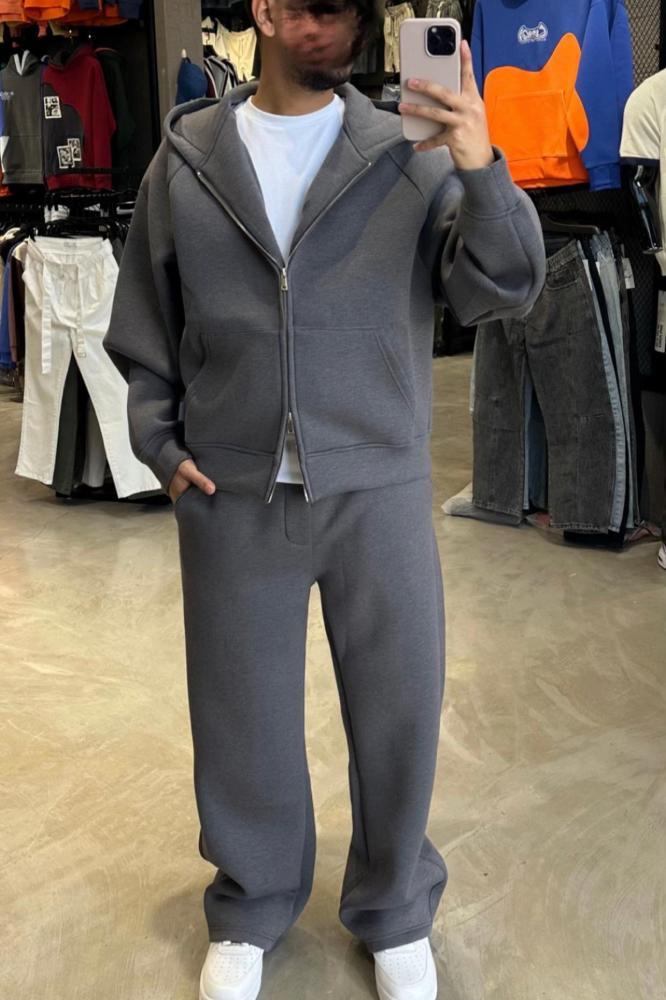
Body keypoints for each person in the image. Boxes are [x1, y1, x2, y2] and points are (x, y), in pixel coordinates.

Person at [102, 1, 546, 997]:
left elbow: (503, 288)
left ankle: (394, 907)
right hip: (233, 487)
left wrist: (479, 165)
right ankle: (252, 900)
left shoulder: (408, 152)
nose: (334, 25)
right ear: (263, 9)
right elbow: (145, 318)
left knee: (399, 708)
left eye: (348, 8)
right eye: (311, 7)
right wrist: (161, 443)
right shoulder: (189, 159)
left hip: (377, 483)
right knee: (242, 714)